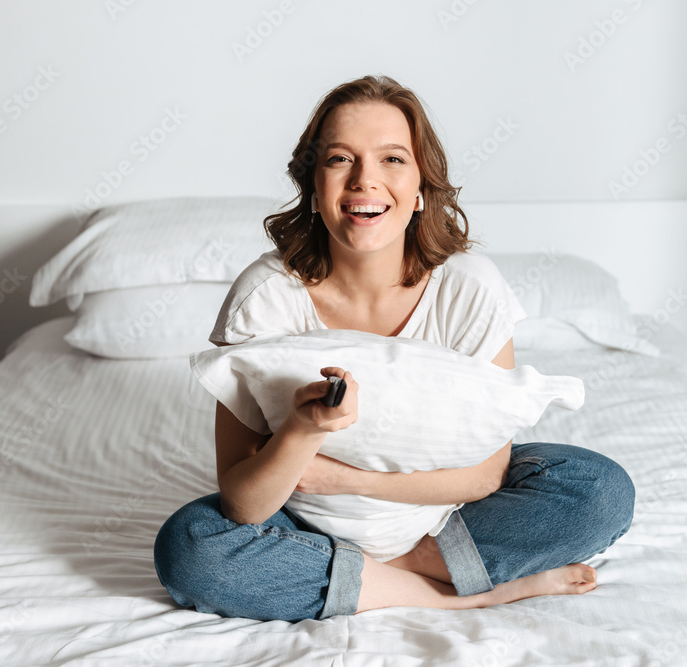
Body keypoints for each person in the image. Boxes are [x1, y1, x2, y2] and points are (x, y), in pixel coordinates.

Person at [153, 75, 635, 622]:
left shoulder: (468, 287)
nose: (365, 181)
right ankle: (463, 589)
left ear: (421, 187)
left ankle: (396, 566)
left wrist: (347, 479)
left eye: (392, 160)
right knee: (191, 546)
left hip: (442, 517)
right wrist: (303, 431)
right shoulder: (265, 297)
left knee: (599, 488)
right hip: (301, 524)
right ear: (313, 184)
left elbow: (484, 476)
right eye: (340, 159)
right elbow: (244, 503)